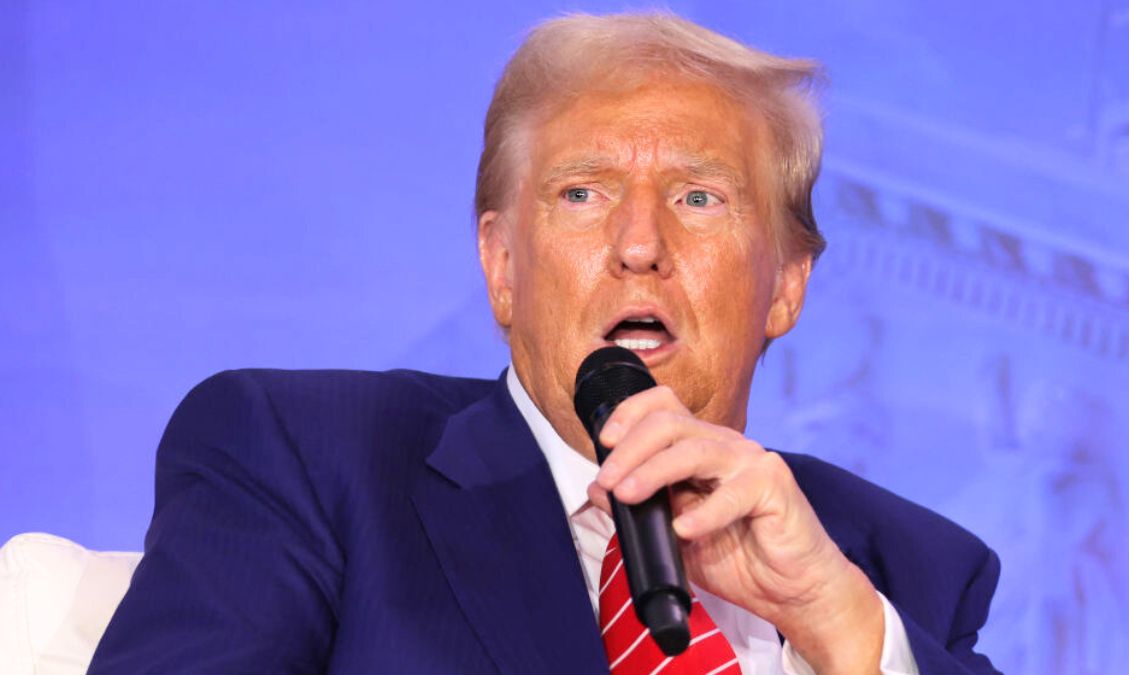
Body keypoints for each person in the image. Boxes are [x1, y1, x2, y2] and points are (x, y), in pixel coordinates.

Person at [89, 12, 999, 675]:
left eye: (698, 198)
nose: (640, 244)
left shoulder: (904, 569)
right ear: (501, 266)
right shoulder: (307, 458)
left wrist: (840, 623)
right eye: (582, 193)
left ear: (787, 285)